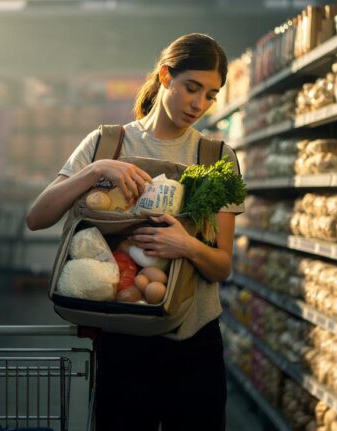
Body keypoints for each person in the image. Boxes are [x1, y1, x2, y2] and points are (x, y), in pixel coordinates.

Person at [26, 33, 243, 431]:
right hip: (122, 338)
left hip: (193, 343)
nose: (199, 104)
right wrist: (96, 170)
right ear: (165, 77)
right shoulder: (107, 142)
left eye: (211, 95)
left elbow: (221, 267)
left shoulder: (216, 157)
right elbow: (37, 217)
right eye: (191, 88)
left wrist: (187, 245)